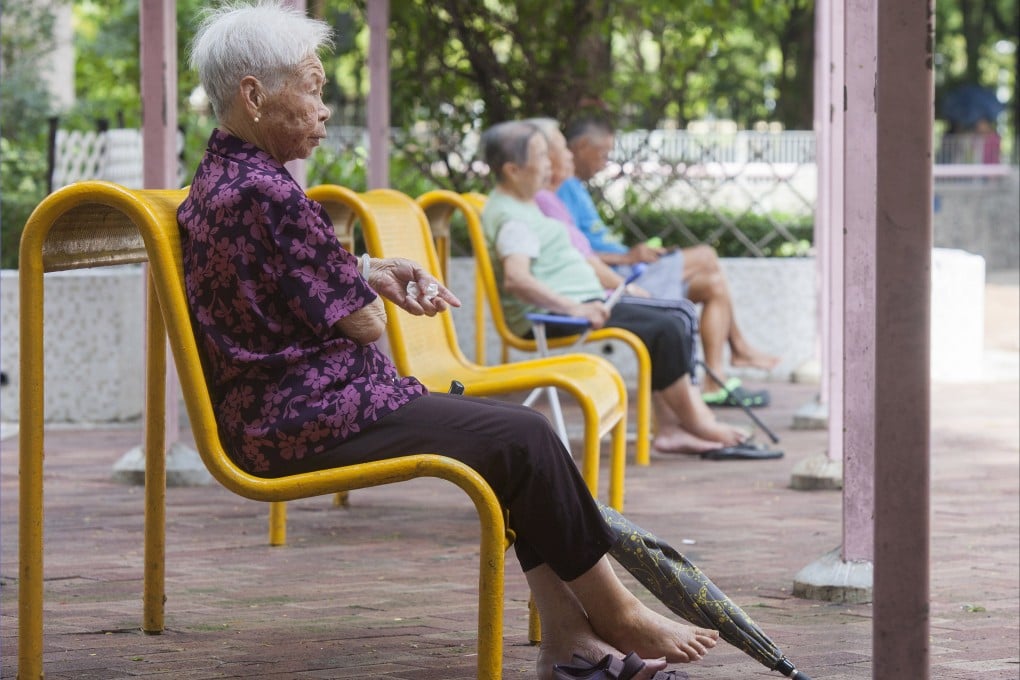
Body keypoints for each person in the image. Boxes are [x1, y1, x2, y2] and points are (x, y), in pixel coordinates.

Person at [179, 4, 718, 679]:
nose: (322, 108)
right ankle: (618, 617)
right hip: (303, 417)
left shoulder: (224, 179)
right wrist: (361, 287)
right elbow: (366, 325)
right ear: (254, 95)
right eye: (312, 88)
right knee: (524, 437)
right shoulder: (266, 193)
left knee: (512, 439)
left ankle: (571, 645)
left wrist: (364, 269)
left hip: (292, 407)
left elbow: (297, 278)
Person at [479, 120, 753, 456]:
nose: (551, 163)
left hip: (580, 303)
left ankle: (673, 429)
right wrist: (574, 307)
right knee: (671, 322)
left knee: (672, 318)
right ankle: (697, 422)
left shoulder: (525, 204)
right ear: (513, 169)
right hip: (555, 315)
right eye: (541, 156)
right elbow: (516, 279)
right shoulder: (512, 217)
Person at [557, 116, 780, 407]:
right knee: (706, 256)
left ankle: (715, 381)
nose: (605, 162)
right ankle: (737, 350)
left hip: (625, 267)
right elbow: (572, 254)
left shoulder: (573, 187)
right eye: (603, 154)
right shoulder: (557, 190)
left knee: (713, 286)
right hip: (618, 277)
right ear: (581, 147)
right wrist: (626, 257)